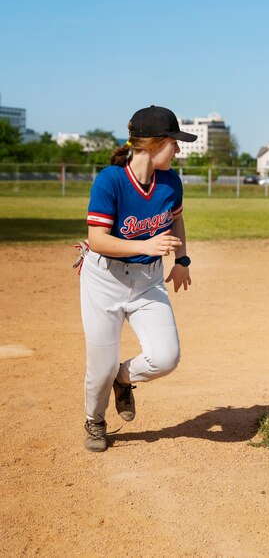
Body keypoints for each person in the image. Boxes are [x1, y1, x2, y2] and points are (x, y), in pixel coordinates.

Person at [79, 105, 197, 452]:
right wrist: (146, 243)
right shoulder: (110, 180)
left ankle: (122, 377)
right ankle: (95, 420)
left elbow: (175, 220)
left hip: (148, 280)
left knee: (166, 357)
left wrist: (183, 259)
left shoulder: (171, 181)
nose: (178, 149)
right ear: (153, 144)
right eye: (173, 142)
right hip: (104, 280)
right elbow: (98, 239)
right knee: (98, 366)